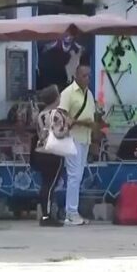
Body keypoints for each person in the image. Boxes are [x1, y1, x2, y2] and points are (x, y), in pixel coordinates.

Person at [59, 65, 96, 226]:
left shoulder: (89, 94)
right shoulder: (68, 93)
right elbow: (61, 115)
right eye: (84, 75)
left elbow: (92, 117)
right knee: (74, 175)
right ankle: (71, 213)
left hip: (85, 138)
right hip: (72, 138)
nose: (87, 78)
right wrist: (78, 122)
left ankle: (73, 211)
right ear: (76, 76)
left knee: (79, 175)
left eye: (89, 76)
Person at [30, 85, 66, 227]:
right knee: (50, 186)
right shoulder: (56, 114)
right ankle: (47, 216)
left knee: (45, 184)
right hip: (53, 153)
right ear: (56, 98)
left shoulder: (41, 114)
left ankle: (45, 213)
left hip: (40, 152)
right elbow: (59, 133)